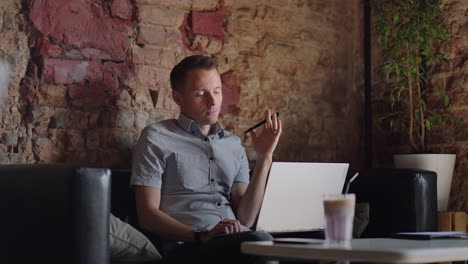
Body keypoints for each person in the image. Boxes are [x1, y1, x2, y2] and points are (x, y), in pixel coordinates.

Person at [130, 55, 282, 263]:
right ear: (178, 98)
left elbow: (245, 218)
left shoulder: (233, 144)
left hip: (238, 240)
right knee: (261, 243)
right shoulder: (156, 137)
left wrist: (265, 157)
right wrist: (201, 235)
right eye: (200, 94)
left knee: (312, 240)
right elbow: (147, 215)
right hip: (189, 246)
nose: (213, 102)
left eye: (217, 91)